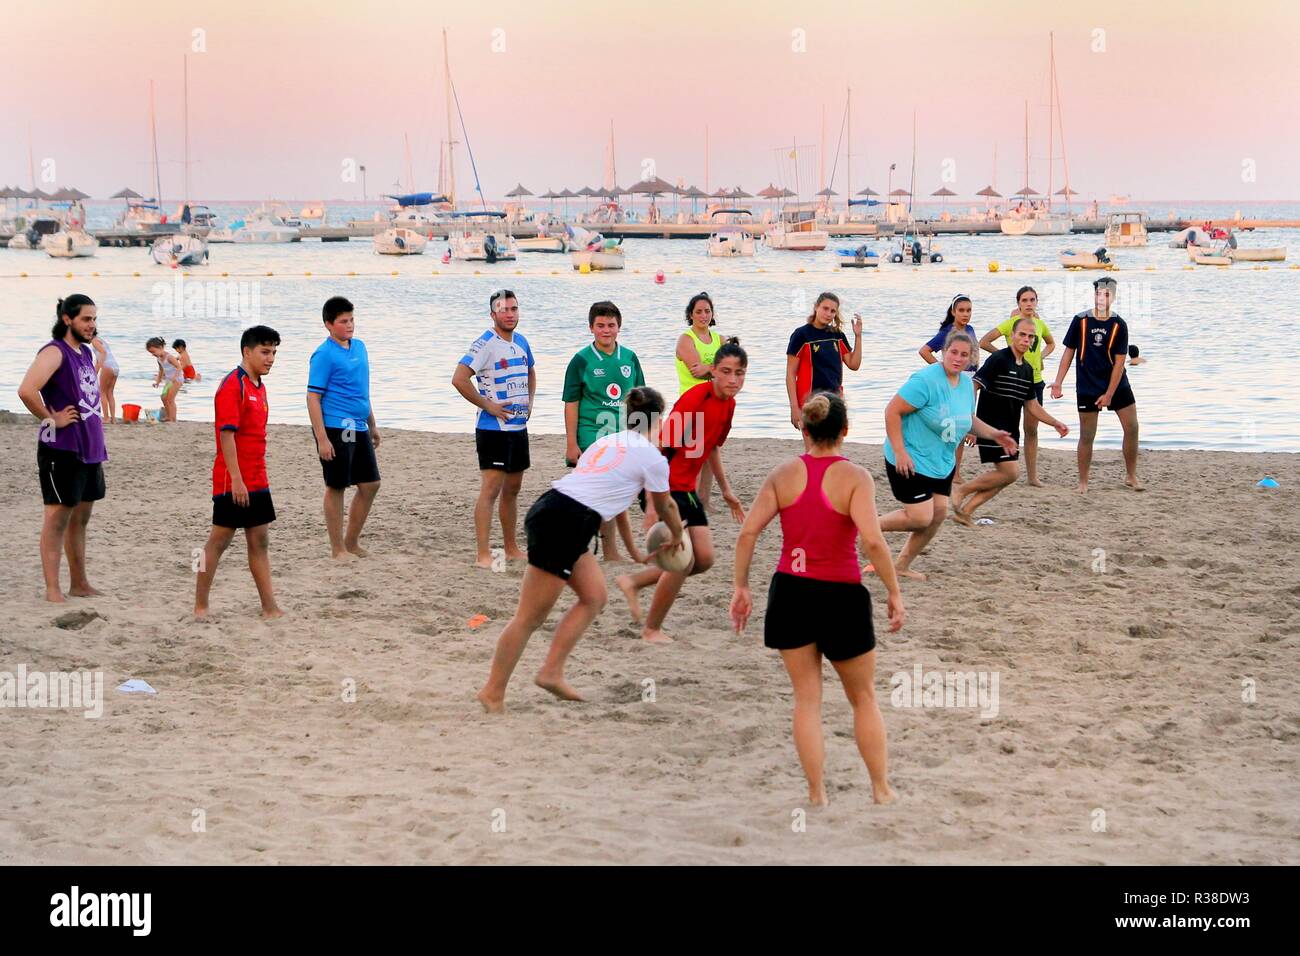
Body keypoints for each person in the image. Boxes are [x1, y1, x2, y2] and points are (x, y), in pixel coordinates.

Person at [730, 392, 905, 807]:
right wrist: (894, 593)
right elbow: (874, 542)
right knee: (863, 698)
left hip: (791, 591)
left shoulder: (783, 473)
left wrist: (742, 586)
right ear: (845, 431)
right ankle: (880, 790)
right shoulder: (856, 477)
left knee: (807, 699)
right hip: (841, 594)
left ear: (804, 430)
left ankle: (816, 794)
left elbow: (747, 533)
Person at [478, 388, 684, 713]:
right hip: (567, 521)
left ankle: (551, 672)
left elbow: (613, 506)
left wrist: (633, 551)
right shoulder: (653, 458)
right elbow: (666, 504)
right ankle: (492, 691)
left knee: (594, 596)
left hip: (556, 509)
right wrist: (677, 534)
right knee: (528, 618)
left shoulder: (607, 442)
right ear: (660, 419)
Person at [616, 340, 748, 644]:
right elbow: (660, 449)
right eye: (726, 372)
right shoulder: (694, 399)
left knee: (703, 559)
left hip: (685, 488)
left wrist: (726, 491)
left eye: (739, 373)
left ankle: (634, 581)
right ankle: (652, 629)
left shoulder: (729, 405)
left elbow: (712, 446)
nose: (732, 379)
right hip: (663, 486)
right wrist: (651, 502)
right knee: (682, 560)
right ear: (712, 371)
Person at [870, 330, 1017, 581]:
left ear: (971, 358)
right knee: (920, 517)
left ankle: (901, 565)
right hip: (910, 459)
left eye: (964, 354)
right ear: (944, 352)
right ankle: (865, 526)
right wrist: (900, 451)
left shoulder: (966, 387)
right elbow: (892, 411)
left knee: (938, 515)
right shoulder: (925, 380)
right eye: (953, 352)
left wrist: (994, 435)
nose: (958, 358)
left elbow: (968, 420)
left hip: (941, 463)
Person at [16, 295, 108, 603]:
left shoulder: (82, 352)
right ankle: (53, 589)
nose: (92, 325)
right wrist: (51, 418)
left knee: (81, 519)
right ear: (67, 319)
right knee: (57, 519)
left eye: (94, 319)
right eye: (86, 319)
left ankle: (79, 583)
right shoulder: (54, 352)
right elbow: (27, 390)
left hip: (89, 449)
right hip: (62, 449)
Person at [194, 326, 283, 619]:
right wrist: (236, 480)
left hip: (258, 476)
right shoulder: (234, 384)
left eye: (273, 352)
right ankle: (200, 605)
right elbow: (226, 436)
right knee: (217, 542)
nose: (271, 358)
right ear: (247, 352)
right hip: (232, 479)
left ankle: (269, 607)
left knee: (260, 541)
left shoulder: (259, 385)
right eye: (265, 352)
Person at [952, 316, 1070, 524]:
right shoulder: (999, 359)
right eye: (1022, 335)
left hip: (1010, 431)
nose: (1026, 339)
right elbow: (973, 386)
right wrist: (970, 422)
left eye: (1031, 337)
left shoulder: (1027, 369)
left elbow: (1032, 405)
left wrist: (1055, 423)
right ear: (1012, 336)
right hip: (990, 426)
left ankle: (967, 511)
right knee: (1010, 472)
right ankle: (962, 491)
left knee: (1006, 476)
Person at [452, 290, 536, 568]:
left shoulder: (522, 341)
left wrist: (530, 401)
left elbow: (531, 371)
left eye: (514, 308)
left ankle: (511, 548)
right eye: (504, 309)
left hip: (518, 428)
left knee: (513, 489)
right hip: (493, 429)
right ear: (493, 314)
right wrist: (488, 405)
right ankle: (484, 554)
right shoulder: (485, 343)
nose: (510, 313)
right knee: (491, 490)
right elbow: (460, 378)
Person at [562, 300, 647, 563]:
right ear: (591, 328)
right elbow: (571, 403)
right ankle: (599, 550)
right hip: (591, 434)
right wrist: (571, 443)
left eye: (611, 325)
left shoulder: (630, 358)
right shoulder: (581, 360)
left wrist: (644, 437)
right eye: (600, 325)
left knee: (617, 492)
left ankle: (610, 551)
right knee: (596, 492)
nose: (606, 330)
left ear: (619, 327)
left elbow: (641, 400)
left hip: (622, 435)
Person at [1050, 276, 1142, 493]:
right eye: (1099, 293)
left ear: (1114, 296)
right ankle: (1083, 482)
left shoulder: (1119, 324)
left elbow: (1120, 362)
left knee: (1132, 427)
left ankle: (1131, 476)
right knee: (1087, 435)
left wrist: (1110, 393)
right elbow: (1068, 353)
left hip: (1117, 383)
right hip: (1088, 385)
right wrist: (1058, 382)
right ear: (1094, 295)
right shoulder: (1080, 320)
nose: (1103, 297)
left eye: (1108, 294)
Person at [307, 296, 381, 559]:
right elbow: (313, 397)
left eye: (351, 320)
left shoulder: (360, 347)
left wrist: (372, 424)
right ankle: (337, 549)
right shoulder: (324, 354)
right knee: (337, 485)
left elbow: (362, 390)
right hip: (336, 427)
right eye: (343, 321)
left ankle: (351, 542)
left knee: (371, 484)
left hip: (358, 425)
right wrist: (322, 439)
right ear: (329, 324)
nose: (349, 325)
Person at [979, 286, 1055, 486]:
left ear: (1037, 302)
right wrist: (1005, 359)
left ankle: (1032, 477)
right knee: (1009, 426)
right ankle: (1006, 468)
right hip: (1013, 381)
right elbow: (984, 342)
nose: (1029, 304)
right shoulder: (1011, 323)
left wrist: (1040, 357)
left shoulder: (1039, 324)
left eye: (1032, 300)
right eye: (1025, 300)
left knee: (1032, 430)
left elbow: (1051, 344)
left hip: (1035, 381)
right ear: (1018, 303)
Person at [919, 294, 979, 482]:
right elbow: (924, 350)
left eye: (968, 310)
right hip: (952, 381)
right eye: (961, 310)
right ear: (953, 312)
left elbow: (974, 355)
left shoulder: (970, 329)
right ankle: (942, 468)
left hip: (969, 381)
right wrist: (942, 368)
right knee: (949, 427)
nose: (965, 314)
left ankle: (957, 472)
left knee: (962, 426)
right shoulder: (947, 332)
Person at [785, 291, 863, 430]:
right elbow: (790, 374)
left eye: (833, 311)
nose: (828, 314)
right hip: (809, 402)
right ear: (816, 307)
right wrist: (794, 407)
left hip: (835, 400)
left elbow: (854, 364)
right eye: (825, 308)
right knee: (813, 449)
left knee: (833, 448)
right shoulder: (801, 335)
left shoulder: (837, 335)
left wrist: (858, 336)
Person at [674, 292, 724, 508]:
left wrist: (712, 369)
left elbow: (734, 369)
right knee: (692, 453)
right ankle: (686, 496)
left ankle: (703, 500)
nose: (703, 315)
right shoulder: (686, 339)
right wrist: (718, 370)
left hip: (716, 402)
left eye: (707, 311)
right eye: (699, 312)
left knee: (711, 451)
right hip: (691, 402)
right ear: (690, 315)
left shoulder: (720, 340)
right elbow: (696, 371)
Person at [146, 336, 183, 421]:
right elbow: (161, 370)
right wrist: (158, 382)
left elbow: (179, 367)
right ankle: (168, 415)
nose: (153, 354)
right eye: (151, 353)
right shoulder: (159, 359)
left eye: (153, 352)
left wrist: (174, 377)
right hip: (169, 381)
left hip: (177, 379)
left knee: (170, 399)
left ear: (161, 347)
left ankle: (173, 418)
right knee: (163, 397)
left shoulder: (169, 357)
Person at [91, 333, 120, 424]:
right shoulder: (100, 340)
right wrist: (94, 372)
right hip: (115, 366)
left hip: (107, 366)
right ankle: (113, 419)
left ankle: (106, 418)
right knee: (110, 392)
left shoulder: (94, 341)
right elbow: (99, 357)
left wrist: (99, 367)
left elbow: (103, 353)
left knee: (102, 392)